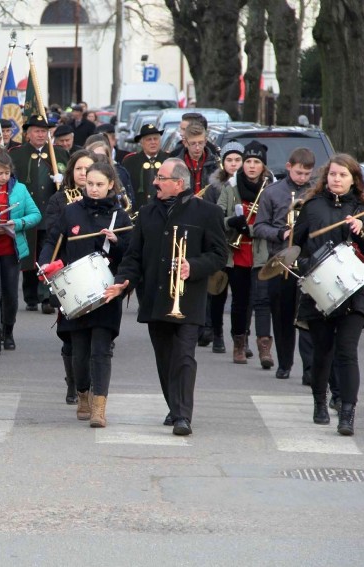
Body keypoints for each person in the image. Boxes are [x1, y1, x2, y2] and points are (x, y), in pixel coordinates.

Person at [104, 158, 227, 436]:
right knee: (165, 358)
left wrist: (193, 266)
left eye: (161, 177)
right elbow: (134, 256)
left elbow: (220, 255)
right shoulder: (147, 213)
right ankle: (174, 406)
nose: (155, 182)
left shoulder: (207, 213)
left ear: (178, 184)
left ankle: (183, 415)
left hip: (188, 298)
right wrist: (122, 282)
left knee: (184, 355)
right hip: (156, 298)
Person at [291, 154, 364, 435]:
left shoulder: (363, 210)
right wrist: (306, 266)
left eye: (343, 175)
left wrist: (361, 230)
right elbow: (296, 246)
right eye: (333, 174)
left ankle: (346, 411)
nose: (337, 179)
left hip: (354, 292)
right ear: (326, 177)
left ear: (353, 179)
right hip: (320, 290)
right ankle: (320, 401)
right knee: (323, 352)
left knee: (347, 352)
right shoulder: (312, 207)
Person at [39, 161, 131, 427]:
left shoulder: (120, 216)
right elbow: (52, 242)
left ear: (110, 185)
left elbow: (130, 253)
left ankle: (99, 408)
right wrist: (46, 264)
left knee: (101, 351)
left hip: (106, 292)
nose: (93, 189)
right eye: (90, 184)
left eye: (99, 185)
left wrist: (117, 243)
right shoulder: (70, 212)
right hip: (76, 293)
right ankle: (82, 394)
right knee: (79, 353)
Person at [253, 147, 316, 380]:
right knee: (282, 316)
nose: (303, 178)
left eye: (307, 174)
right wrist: (281, 233)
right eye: (299, 172)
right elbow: (259, 227)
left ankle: (309, 369)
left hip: (308, 262)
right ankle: (285, 363)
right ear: (289, 167)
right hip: (280, 263)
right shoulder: (272, 193)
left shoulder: (315, 193)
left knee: (308, 317)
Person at [43, 149, 96, 404]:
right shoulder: (58, 199)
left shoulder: (103, 199)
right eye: (79, 169)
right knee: (69, 334)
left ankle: (89, 382)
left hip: (95, 273)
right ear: (71, 173)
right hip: (67, 272)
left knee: (94, 334)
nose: (83, 174)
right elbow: (53, 234)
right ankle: (73, 382)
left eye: (88, 169)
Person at [217, 141, 276, 367]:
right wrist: (231, 221)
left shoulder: (271, 189)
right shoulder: (231, 187)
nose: (252, 166)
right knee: (240, 302)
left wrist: (251, 229)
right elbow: (217, 218)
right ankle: (239, 344)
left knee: (262, 300)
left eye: (257, 162)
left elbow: (274, 222)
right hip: (238, 251)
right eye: (248, 161)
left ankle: (264, 348)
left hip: (262, 252)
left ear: (263, 166)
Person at [0, 150, 42, 352]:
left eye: (7, 173)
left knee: (10, 295)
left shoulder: (20, 189)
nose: (4, 177)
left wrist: (16, 223)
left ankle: (8, 331)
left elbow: (35, 214)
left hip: (11, 249)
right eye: (0, 173)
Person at [9, 114, 69, 314]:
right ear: (28, 133)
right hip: (26, 211)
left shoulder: (58, 154)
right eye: (37, 130)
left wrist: (62, 180)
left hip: (50, 211)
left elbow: (69, 181)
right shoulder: (16, 154)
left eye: (44, 131)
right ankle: (31, 296)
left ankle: (46, 296)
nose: (41, 134)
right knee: (29, 253)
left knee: (48, 252)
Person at [201, 141, 244, 354]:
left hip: (242, 248)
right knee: (217, 292)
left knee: (242, 296)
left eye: (238, 160)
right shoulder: (214, 188)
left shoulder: (251, 184)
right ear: (223, 162)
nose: (234, 164)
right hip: (219, 245)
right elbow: (209, 216)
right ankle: (217, 333)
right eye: (230, 160)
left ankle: (240, 338)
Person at [121, 123, 169, 208]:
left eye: (155, 139)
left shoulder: (169, 160)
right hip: (139, 212)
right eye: (149, 139)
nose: (153, 142)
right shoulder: (130, 162)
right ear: (141, 143)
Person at [172, 123, 221, 195]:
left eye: (200, 143)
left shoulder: (215, 163)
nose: (197, 148)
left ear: (205, 142)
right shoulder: (175, 165)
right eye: (193, 143)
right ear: (185, 143)